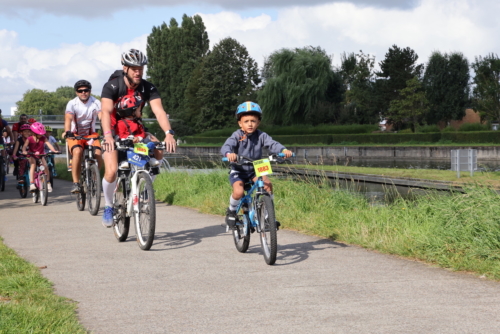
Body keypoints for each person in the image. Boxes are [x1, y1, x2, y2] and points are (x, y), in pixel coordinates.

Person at [99, 48, 176, 227]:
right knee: (110, 171)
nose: (138, 71)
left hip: (135, 130)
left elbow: (159, 111)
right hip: (113, 130)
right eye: (134, 68)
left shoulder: (147, 87)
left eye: (140, 68)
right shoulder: (112, 86)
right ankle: (109, 206)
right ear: (125, 68)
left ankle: (144, 187)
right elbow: (105, 112)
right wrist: (109, 137)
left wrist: (169, 133)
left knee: (157, 149)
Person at [220, 101, 293, 228]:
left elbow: (272, 144)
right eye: (246, 121)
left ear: (258, 122)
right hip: (239, 167)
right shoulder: (237, 135)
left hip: (257, 166)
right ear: (240, 123)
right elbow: (227, 146)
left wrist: (283, 150)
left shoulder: (261, 135)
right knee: (238, 191)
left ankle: (268, 216)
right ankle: (231, 211)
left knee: (268, 185)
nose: (250, 124)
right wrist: (228, 154)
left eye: (253, 121)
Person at [62, 80, 102, 194]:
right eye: (80, 91)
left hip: (91, 134)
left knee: (98, 154)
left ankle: (95, 179)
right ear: (76, 92)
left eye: (86, 90)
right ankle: (76, 183)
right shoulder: (72, 103)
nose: (83, 93)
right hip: (75, 134)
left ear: (90, 91)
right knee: (78, 152)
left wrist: (108, 130)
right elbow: (68, 118)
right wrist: (68, 131)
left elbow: (102, 116)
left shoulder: (96, 102)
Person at [114, 94, 160, 169]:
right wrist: (130, 139)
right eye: (138, 110)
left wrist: (139, 138)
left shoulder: (138, 122)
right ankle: (124, 160)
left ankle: (151, 158)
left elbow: (142, 132)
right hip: (127, 143)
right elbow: (121, 135)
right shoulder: (121, 123)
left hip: (138, 143)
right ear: (131, 112)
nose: (140, 111)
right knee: (122, 147)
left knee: (148, 141)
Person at [21, 122, 59, 193]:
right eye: (39, 134)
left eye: (42, 133)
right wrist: (24, 151)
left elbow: (49, 144)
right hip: (32, 155)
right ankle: (32, 183)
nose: (41, 135)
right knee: (33, 165)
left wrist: (54, 150)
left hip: (41, 155)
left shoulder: (43, 138)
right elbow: (25, 147)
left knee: (45, 166)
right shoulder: (29, 139)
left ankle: (48, 183)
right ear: (34, 133)